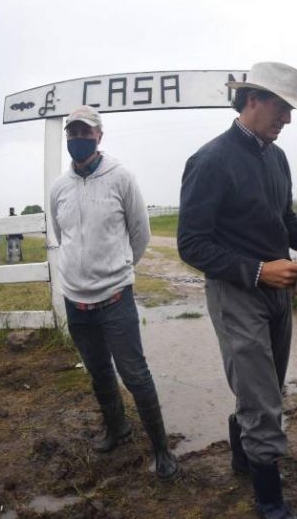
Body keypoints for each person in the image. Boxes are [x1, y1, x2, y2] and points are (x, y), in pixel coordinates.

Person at [178, 61, 297, 519]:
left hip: (276, 292)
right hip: (236, 293)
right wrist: (257, 270)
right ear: (252, 100)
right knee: (263, 398)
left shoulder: (275, 156)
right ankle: (270, 502)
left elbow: (281, 221)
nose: (287, 119)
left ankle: (245, 453)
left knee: (267, 387)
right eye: (282, 108)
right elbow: (191, 243)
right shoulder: (210, 161)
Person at [49, 105, 178, 481]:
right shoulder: (59, 188)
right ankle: (117, 428)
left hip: (115, 298)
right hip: (76, 302)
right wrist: (80, 271)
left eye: (85, 132)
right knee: (98, 372)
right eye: (72, 133)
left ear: (99, 136)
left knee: (135, 375)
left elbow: (140, 235)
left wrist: (117, 268)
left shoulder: (121, 178)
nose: (78, 139)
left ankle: (161, 449)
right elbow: (61, 236)